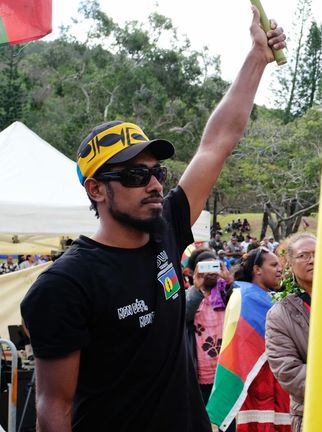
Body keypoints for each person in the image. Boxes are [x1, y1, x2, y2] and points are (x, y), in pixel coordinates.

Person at [20, 8, 286, 432]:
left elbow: (216, 143)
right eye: (134, 175)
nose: (155, 184)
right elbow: (54, 408)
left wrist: (256, 55)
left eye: (156, 172)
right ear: (96, 190)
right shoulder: (66, 286)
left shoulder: (165, 229)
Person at [208, 247, 290, 431]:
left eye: (280, 265)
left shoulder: (255, 293)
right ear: (257, 270)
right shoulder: (249, 297)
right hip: (258, 379)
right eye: (274, 264)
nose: (280, 269)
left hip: (274, 378)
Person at [265, 233, 316, 432]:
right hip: (313, 412)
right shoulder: (280, 316)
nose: (312, 259)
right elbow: (288, 371)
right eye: (304, 255)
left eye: (317, 254)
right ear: (289, 264)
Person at [184, 249, 232, 404]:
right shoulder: (190, 295)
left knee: (227, 419)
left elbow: (242, 308)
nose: (211, 272)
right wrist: (196, 288)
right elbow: (184, 316)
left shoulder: (227, 293)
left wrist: (230, 282)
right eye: (205, 267)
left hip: (226, 368)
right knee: (203, 417)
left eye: (214, 266)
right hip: (201, 372)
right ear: (197, 271)